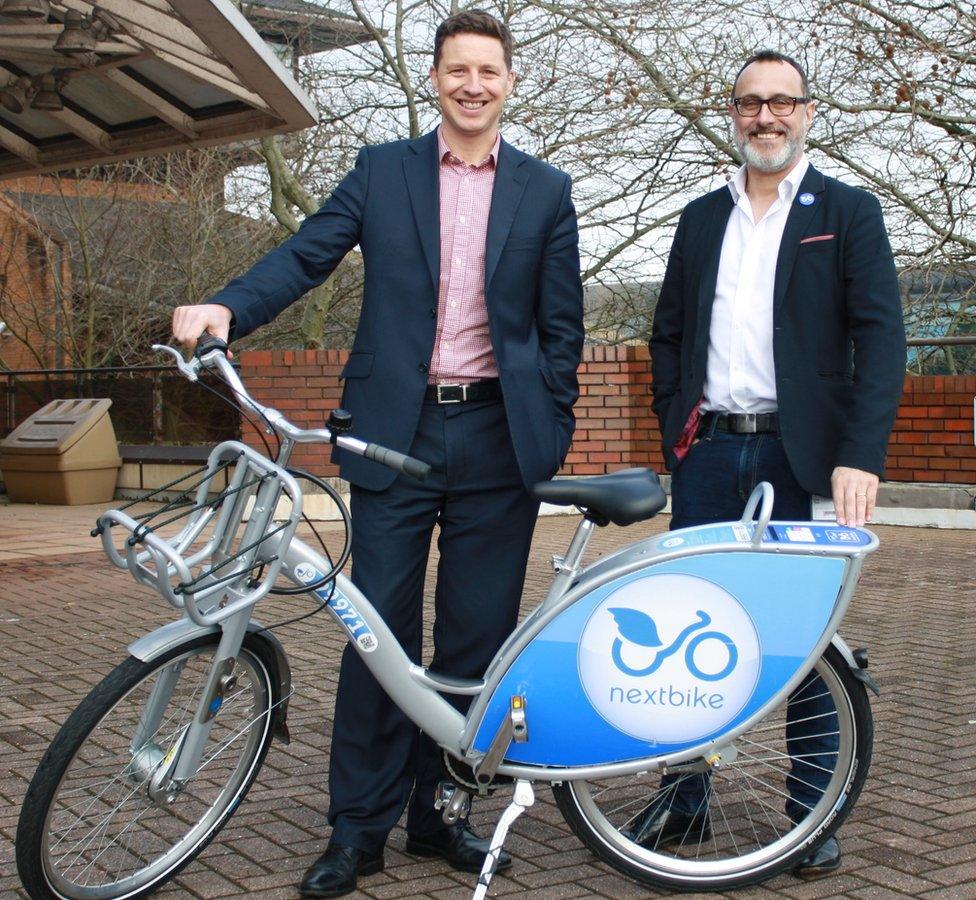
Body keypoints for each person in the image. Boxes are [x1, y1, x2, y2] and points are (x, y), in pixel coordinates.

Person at [172, 10, 584, 897]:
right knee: (378, 634)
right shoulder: (382, 171)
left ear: (510, 82)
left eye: (489, 71)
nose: (473, 85)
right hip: (393, 432)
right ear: (435, 78)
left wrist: (548, 424)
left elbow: (562, 330)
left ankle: (442, 815)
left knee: (476, 640)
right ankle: (356, 829)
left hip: (497, 438)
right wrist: (229, 308)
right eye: (457, 70)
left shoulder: (546, 191)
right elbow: (306, 254)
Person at [646, 50, 905, 877]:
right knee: (693, 632)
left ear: (807, 112)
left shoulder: (849, 212)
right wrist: (673, 429)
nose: (767, 117)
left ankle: (810, 810)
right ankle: (683, 802)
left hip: (805, 461)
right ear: (734, 113)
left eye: (782, 102)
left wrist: (859, 457)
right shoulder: (698, 217)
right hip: (711, 451)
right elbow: (669, 336)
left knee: (805, 639)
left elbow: (882, 340)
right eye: (752, 104)